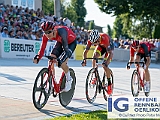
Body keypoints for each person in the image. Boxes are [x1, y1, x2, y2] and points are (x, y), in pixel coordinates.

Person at [33, 21, 77, 92]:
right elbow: (42, 48)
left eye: (49, 32)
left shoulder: (62, 32)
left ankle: (69, 79)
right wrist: (38, 57)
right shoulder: (45, 36)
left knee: (62, 63)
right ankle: (51, 80)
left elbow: (65, 48)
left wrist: (61, 60)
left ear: (54, 30)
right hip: (60, 42)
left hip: (70, 43)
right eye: (45, 32)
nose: (47, 34)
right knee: (51, 58)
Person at [81, 29, 114, 95]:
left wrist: (106, 63)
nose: (93, 45)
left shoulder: (105, 39)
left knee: (105, 66)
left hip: (109, 48)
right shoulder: (91, 40)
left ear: (98, 39)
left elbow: (110, 54)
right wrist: (84, 60)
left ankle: (110, 83)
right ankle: (95, 74)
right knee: (94, 57)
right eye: (92, 43)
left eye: (94, 43)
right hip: (101, 46)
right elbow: (85, 52)